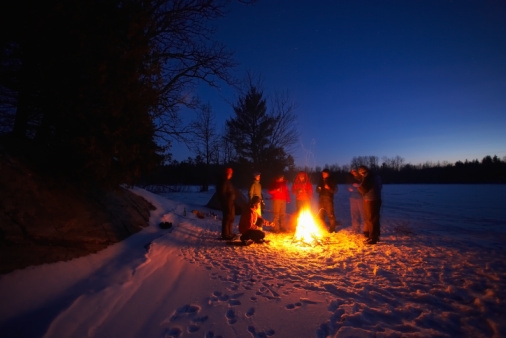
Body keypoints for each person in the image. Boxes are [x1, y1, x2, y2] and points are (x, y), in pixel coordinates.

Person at [357, 165, 382, 245]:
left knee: (370, 219)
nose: (361, 175)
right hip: (377, 199)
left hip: (370, 200)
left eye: (360, 173)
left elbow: (363, 189)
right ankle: (376, 236)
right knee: (375, 218)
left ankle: (372, 238)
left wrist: (359, 188)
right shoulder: (376, 176)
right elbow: (380, 186)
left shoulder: (368, 177)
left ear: (362, 172)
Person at [316, 169, 338, 233]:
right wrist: (318, 189)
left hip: (328, 199)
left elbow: (335, 190)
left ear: (328, 174)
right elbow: (316, 191)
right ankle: (322, 227)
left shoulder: (332, 180)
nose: (323, 175)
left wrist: (329, 188)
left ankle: (332, 228)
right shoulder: (321, 180)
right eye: (322, 173)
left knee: (330, 214)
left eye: (324, 173)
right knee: (321, 214)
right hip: (321, 199)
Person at [218, 167, 236, 240]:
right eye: (230, 173)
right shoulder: (224, 182)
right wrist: (226, 203)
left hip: (230, 202)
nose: (231, 175)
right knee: (227, 218)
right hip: (227, 203)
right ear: (228, 174)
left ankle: (229, 233)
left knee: (231, 218)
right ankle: (225, 234)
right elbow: (222, 194)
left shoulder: (228, 181)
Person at [347, 169, 364, 234]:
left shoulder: (361, 178)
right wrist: (349, 188)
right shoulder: (351, 178)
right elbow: (348, 185)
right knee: (354, 214)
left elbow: (364, 186)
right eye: (352, 172)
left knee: (362, 214)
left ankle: (365, 229)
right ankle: (355, 229)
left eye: (354, 171)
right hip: (352, 197)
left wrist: (358, 186)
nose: (353, 173)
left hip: (360, 198)